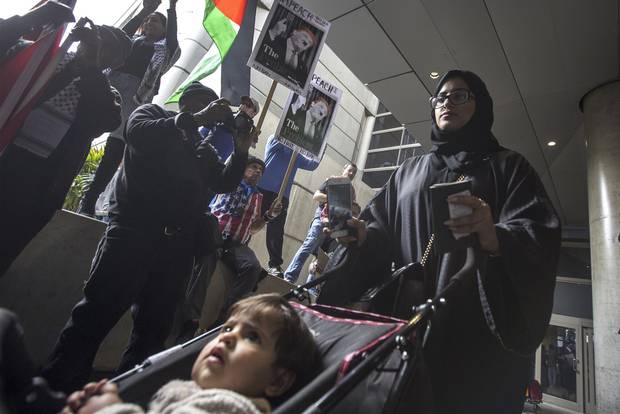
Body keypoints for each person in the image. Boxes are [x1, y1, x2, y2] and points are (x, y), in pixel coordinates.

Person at [317, 70, 561, 413]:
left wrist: (496, 235)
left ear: (482, 106)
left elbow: (540, 236)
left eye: (460, 95)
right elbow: (380, 232)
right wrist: (360, 235)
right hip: (405, 327)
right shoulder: (409, 170)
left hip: (473, 343)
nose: (447, 102)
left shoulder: (509, 167)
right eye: (441, 97)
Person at [42, 82, 254, 394]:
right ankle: (57, 390)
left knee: (153, 332)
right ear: (184, 103)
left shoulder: (201, 146)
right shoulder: (152, 116)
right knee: (95, 314)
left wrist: (241, 150)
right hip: (133, 234)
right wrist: (195, 119)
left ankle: (125, 395)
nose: (207, 112)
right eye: (200, 105)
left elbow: (222, 182)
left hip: (175, 250)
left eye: (211, 109)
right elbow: (136, 133)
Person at [0, 22, 130, 276]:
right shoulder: (47, 63)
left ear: (116, 63)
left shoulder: (107, 94)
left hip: (38, 185)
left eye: (105, 49)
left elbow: (104, 119)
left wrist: (91, 68)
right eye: (93, 40)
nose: (92, 48)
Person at [63, 294, 318, 414]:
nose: (227, 336)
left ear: (276, 381)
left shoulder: (231, 409)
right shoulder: (187, 391)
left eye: (252, 336)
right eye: (228, 327)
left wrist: (109, 409)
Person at [78, 0, 181, 216]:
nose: (150, 23)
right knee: (82, 134)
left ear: (164, 29)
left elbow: (172, 40)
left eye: (156, 21)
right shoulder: (129, 41)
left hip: (136, 97)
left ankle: (89, 201)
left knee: (113, 152)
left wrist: (172, 7)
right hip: (109, 85)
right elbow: (115, 36)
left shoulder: (163, 50)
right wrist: (146, 9)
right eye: (147, 21)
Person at [208, 156, 283, 323]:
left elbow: (253, 227)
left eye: (261, 171)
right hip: (214, 235)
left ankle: (225, 318)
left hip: (236, 245)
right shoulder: (229, 181)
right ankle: (191, 320)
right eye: (254, 167)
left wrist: (269, 215)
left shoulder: (258, 197)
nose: (258, 171)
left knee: (253, 267)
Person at [257, 135, 321, 277]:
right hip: (263, 188)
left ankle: (275, 264)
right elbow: (285, 147)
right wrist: (301, 142)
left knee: (276, 230)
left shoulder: (296, 154)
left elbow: (312, 165)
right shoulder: (276, 138)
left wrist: (320, 147)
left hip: (282, 194)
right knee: (250, 218)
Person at [283, 163, 357, 284]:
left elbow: (350, 209)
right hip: (322, 220)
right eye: (350, 170)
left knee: (322, 258)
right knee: (308, 246)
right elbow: (316, 196)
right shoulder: (331, 181)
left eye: (354, 172)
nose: (351, 174)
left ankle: (310, 287)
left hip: (336, 227)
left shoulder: (352, 191)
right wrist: (333, 197)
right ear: (344, 169)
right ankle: (289, 278)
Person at [201, 95, 260, 162]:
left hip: (215, 157)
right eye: (243, 103)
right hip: (201, 143)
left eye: (248, 105)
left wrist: (252, 135)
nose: (244, 105)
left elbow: (250, 145)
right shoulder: (226, 112)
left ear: (253, 113)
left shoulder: (249, 128)